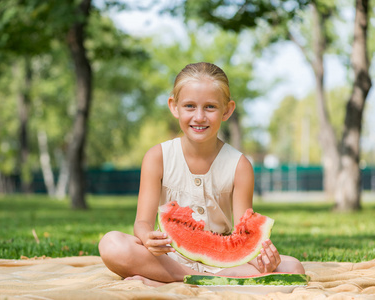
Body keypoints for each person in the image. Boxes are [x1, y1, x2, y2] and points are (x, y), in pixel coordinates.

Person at [98, 62, 305, 287]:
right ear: (174, 106)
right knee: (111, 244)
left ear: (227, 110)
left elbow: (243, 235)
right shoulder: (157, 157)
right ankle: (199, 279)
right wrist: (148, 237)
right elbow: (142, 223)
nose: (199, 117)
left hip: (224, 262)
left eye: (210, 107)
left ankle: (173, 280)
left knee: (292, 267)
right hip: (168, 257)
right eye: (189, 106)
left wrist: (261, 256)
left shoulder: (239, 165)